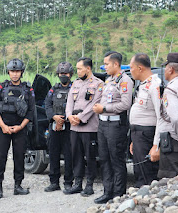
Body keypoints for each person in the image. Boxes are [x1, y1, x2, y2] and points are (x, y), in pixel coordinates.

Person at [93, 51, 133, 204]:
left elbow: (125, 104)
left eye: (107, 64)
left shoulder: (125, 81)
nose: (105, 67)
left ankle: (118, 194)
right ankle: (107, 192)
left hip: (116, 125)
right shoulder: (108, 80)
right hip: (103, 124)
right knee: (104, 159)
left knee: (116, 159)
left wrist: (103, 109)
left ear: (116, 64)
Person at [0, 58, 35, 199]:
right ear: (8, 72)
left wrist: (21, 126)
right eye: (12, 71)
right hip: (3, 128)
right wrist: (3, 126)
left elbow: (31, 111)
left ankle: (18, 185)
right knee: (0, 157)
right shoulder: (1, 88)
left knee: (19, 157)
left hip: (20, 128)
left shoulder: (28, 89)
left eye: (17, 71)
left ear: (21, 72)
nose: (15, 74)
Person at [65, 57, 103, 197]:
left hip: (89, 127)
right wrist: (69, 116)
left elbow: (95, 104)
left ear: (88, 68)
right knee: (76, 156)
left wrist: (80, 118)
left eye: (80, 68)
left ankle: (89, 185)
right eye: (77, 69)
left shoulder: (98, 84)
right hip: (74, 127)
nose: (78, 71)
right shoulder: (75, 83)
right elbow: (69, 102)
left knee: (90, 157)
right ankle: (77, 184)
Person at [129, 53, 160, 187]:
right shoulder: (142, 85)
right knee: (139, 171)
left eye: (131, 67)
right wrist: (133, 140)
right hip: (138, 135)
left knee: (147, 174)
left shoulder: (155, 85)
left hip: (148, 135)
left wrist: (156, 145)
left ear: (140, 68)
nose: (130, 71)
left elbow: (161, 117)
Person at [44, 62, 74, 193]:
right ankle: (54, 182)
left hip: (69, 127)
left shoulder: (75, 88)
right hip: (54, 126)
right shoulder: (53, 89)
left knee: (69, 155)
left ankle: (68, 182)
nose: (63, 76)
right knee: (53, 155)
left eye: (66, 74)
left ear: (70, 74)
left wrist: (64, 119)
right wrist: (54, 117)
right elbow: (47, 105)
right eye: (61, 74)